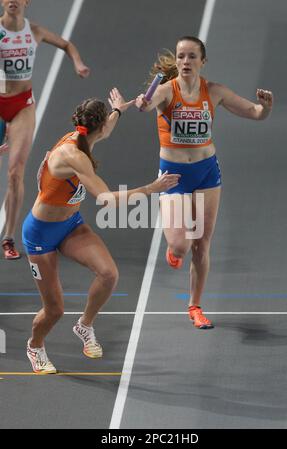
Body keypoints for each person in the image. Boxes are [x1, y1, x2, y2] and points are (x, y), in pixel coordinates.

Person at [22, 89, 180, 374]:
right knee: (55, 309)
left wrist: (119, 109)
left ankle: (84, 325)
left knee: (109, 274)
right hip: (40, 235)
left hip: (70, 225)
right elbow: (106, 199)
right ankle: (35, 345)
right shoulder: (74, 155)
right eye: (106, 120)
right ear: (98, 124)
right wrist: (151, 189)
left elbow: (106, 131)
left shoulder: (87, 137)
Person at [135, 36, 273, 329]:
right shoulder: (165, 91)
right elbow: (147, 107)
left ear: (202, 61)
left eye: (191, 57)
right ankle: (174, 250)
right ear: (177, 60)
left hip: (207, 173)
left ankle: (195, 306)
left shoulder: (214, 91)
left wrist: (267, 106)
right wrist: (142, 103)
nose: (185, 61)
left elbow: (256, 114)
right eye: (181, 56)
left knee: (201, 245)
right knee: (181, 245)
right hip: (174, 175)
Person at [0, 0, 90, 259]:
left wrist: (78, 63)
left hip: (22, 107)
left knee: (15, 173)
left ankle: (8, 237)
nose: (12, 1)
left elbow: (66, 44)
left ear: (27, 2)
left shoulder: (35, 32)